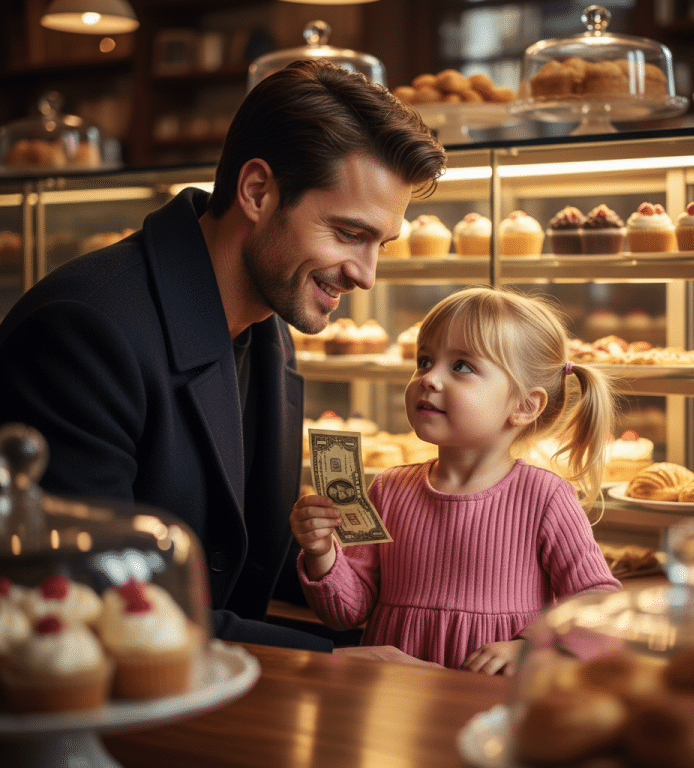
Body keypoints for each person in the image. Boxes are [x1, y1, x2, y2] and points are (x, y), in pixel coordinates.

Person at [0, 60, 446, 650]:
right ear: (257, 191)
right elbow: (104, 602)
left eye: (380, 245)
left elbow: (246, 553)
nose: (366, 276)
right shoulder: (82, 332)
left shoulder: (268, 320)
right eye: (348, 234)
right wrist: (347, 663)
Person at [290, 286, 621, 672]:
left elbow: (600, 604)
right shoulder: (387, 489)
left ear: (525, 406)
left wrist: (530, 647)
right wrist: (321, 553)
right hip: (392, 700)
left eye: (461, 366)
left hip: (489, 702)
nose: (429, 378)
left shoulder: (545, 498)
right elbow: (348, 613)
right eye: (425, 360)